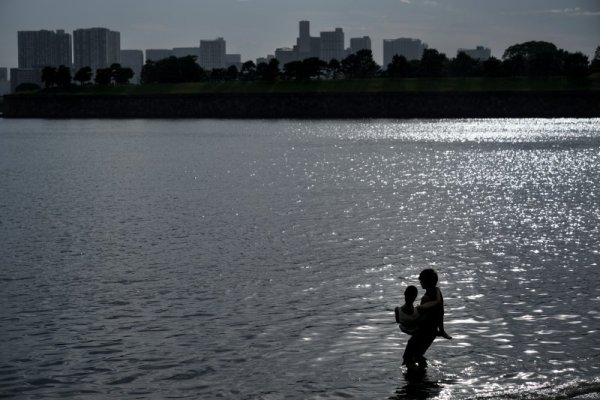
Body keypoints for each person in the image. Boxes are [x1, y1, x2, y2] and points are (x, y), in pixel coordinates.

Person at [401, 268, 451, 371]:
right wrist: (441, 330)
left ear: (427, 281)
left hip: (423, 333)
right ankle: (422, 374)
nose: (419, 281)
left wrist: (408, 324)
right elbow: (441, 312)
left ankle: (416, 378)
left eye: (421, 279)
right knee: (417, 354)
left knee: (408, 358)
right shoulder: (437, 293)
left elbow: (422, 319)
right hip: (431, 332)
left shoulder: (426, 298)